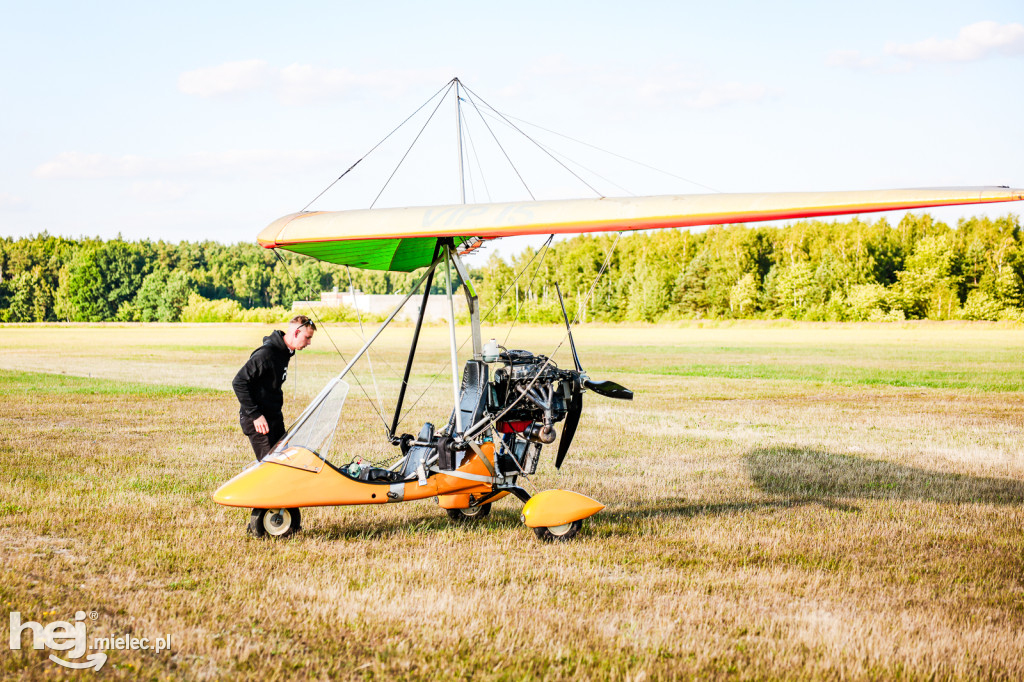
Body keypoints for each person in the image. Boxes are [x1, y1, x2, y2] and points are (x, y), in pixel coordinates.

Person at [232, 315, 316, 461]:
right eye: (307, 337)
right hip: (258, 420)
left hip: (274, 417)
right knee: (271, 467)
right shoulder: (267, 354)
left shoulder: (285, 352)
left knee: (287, 460)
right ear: (296, 333)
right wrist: (255, 415)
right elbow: (239, 382)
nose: (309, 342)